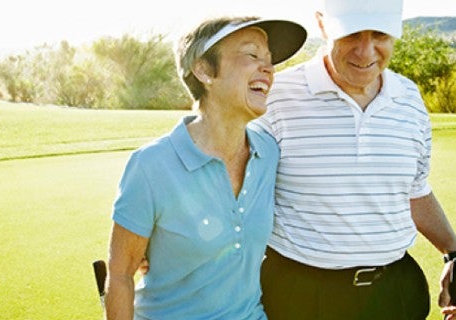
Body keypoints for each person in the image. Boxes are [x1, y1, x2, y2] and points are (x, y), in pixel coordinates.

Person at [253, 0, 456, 319]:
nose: (366, 51)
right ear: (322, 24)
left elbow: (415, 190)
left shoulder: (409, 98)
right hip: (300, 295)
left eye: (380, 35)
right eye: (352, 34)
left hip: (395, 291)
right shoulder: (275, 96)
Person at [103, 16, 306, 320]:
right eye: (251, 55)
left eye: (269, 59)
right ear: (204, 70)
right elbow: (120, 275)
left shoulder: (269, 152)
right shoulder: (151, 165)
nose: (268, 68)